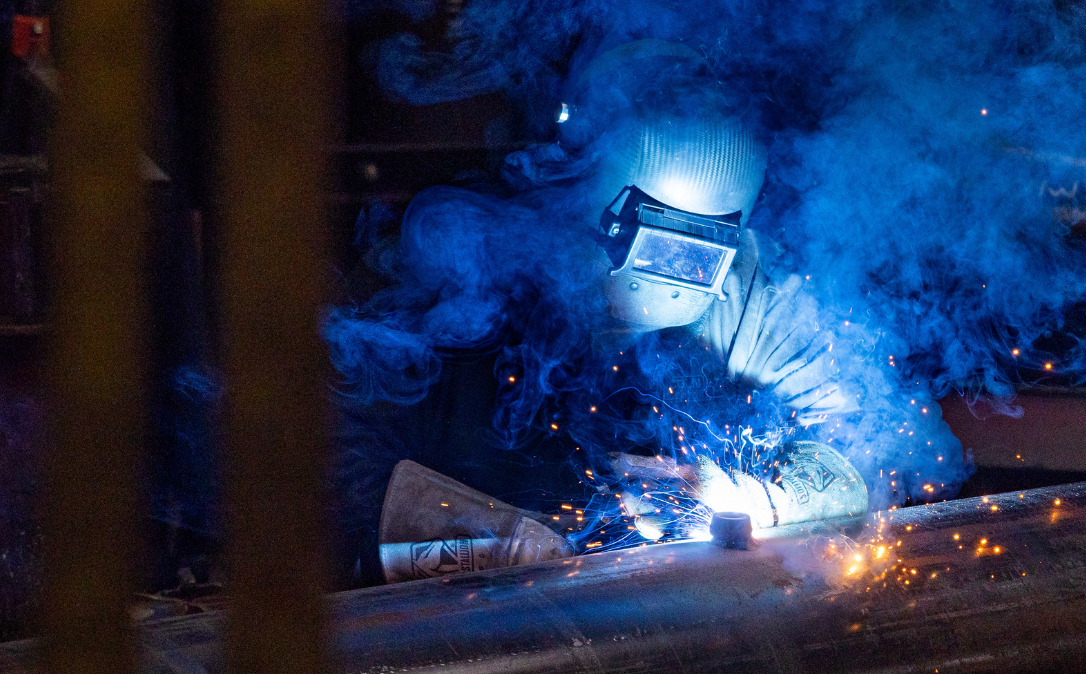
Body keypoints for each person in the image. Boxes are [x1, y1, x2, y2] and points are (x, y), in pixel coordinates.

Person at [329, 40, 964, 586]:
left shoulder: (755, 297)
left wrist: (760, 502)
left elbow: (865, 442)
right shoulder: (451, 271)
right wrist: (487, 541)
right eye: (658, 245)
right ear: (582, 196)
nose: (676, 280)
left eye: (702, 254)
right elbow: (311, 464)